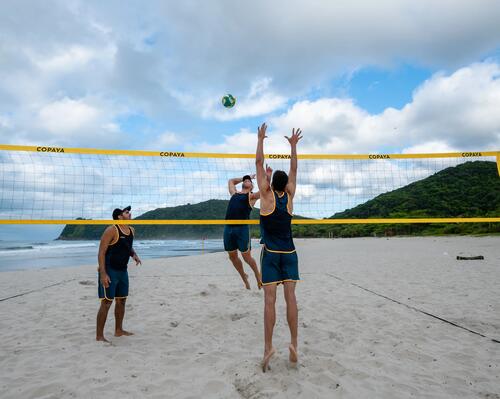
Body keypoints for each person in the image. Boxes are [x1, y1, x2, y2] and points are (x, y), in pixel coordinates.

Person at [255, 122, 303, 372]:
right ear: (286, 186)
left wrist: (261, 139)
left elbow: (259, 163)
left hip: (272, 254)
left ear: (271, 183)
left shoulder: (266, 196)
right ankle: (294, 343)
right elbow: (295, 168)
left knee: (269, 302)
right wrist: (293, 146)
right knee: (291, 298)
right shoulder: (290, 196)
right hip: (290, 253)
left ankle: (268, 347)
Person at [96, 206, 142, 342]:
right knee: (106, 302)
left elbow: (127, 246)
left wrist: (134, 255)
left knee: (121, 300)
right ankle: (99, 336)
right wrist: (103, 273)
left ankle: (118, 330)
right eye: (126, 212)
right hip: (110, 270)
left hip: (123, 271)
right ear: (119, 216)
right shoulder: (111, 230)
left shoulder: (131, 230)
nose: (130, 214)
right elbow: (101, 252)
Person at [224, 175, 262, 289]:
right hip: (228, 227)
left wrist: (265, 177)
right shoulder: (234, 193)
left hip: (242, 229)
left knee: (246, 257)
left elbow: (264, 190)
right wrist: (246, 176)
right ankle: (245, 278)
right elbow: (231, 180)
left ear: (252, 186)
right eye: (245, 181)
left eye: (249, 181)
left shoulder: (252, 196)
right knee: (232, 257)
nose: (247, 181)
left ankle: (257, 275)